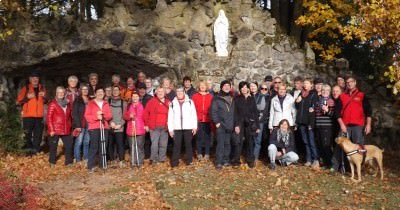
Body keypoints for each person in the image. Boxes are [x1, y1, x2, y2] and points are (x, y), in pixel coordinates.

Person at [17, 71, 47, 154]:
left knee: (38, 134)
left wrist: (44, 97)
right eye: (33, 78)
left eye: (36, 78)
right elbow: (19, 101)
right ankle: (28, 150)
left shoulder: (42, 88)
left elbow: (46, 101)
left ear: (39, 79)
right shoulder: (25, 88)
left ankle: (35, 150)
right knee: (27, 134)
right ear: (30, 79)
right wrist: (27, 97)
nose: (35, 79)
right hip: (28, 116)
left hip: (39, 116)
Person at [337, 76, 372, 145]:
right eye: (347, 82)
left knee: (358, 148)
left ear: (355, 82)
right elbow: (337, 112)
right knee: (341, 147)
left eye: (351, 82)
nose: (349, 84)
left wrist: (368, 125)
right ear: (346, 84)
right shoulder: (342, 96)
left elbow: (368, 111)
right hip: (345, 126)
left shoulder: (361, 95)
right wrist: (341, 125)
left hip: (358, 126)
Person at [84, 87, 113, 173]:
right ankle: (91, 166)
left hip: (104, 127)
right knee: (94, 146)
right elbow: (87, 116)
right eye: (98, 92)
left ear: (104, 94)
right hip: (94, 127)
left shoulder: (106, 103)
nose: (100, 93)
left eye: (102, 92)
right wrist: (96, 117)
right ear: (95, 93)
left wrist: (103, 116)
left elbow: (109, 115)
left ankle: (102, 164)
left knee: (103, 146)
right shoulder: (91, 103)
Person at [232, 81, 260, 168]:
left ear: (248, 88)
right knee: (238, 142)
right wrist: (236, 125)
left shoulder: (251, 99)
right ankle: (236, 160)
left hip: (250, 123)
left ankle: (250, 160)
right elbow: (234, 113)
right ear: (240, 89)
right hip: (240, 123)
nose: (244, 89)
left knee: (250, 142)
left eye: (245, 87)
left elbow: (255, 113)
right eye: (242, 87)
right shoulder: (236, 99)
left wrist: (257, 126)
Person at [168, 87, 198, 167]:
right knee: (176, 145)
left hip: (188, 127)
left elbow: (194, 115)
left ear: (184, 92)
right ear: (176, 93)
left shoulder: (190, 102)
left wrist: (194, 127)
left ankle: (189, 161)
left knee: (188, 145)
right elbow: (170, 117)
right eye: (178, 91)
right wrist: (170, 129)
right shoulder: (173, 103)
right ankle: (174, 163)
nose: (179, 93)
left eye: (181, 91)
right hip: (177, 128)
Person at [211, 80, 235, 170]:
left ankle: (226, 160)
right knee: (220, 144)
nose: (227, 87)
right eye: (225, 85)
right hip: (221, 125)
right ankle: (219, 162)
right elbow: (213, 111)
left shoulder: (232, 98)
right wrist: (217, 122)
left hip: (230, 124)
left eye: (228, 85)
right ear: (221, 87)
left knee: (227, 144)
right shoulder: (217, 98)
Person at [46, 86, 73, 167]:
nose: (61, 94)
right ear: (56, 93)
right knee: (53, 147)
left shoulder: (67, 103)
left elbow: (69, 117)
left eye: (62, 92)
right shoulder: (53, 104)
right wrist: (51, 129)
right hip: (55, 129)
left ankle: (68, 162)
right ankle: (52, 162)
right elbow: (49, 117)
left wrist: (70, 126)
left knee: (69, 145)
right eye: (59, 92)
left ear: (64, 93)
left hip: (65, 128)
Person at [143, 87, 171, 164]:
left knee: (163, 144)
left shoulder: (168, 102)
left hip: (165, 127)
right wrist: (146, 124)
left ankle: (161, 158)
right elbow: (145, 113)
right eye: (159, 91)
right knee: (154, 144)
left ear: (165, 93)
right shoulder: (151, 101)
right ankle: (154, 159)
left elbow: (172, 114)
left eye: (162, 91)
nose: (160, 93)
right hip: (154, 127)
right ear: (156, 93)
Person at [295, 78, 319, 168]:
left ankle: (315, 159)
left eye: (307, 83)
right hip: (301, 122)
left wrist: (311, 123)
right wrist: (297, 101)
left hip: (309, 123)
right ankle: (309, 159)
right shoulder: (301, 93)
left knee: (312, 141)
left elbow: (312, 110)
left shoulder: (313, 95)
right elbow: (298, 107)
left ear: (311, 85)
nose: (305, 85)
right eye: (304, 83)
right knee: (306, 142)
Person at [314, 84, 335, 169]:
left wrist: (328, 110)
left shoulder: (331, 101)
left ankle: (331, 164)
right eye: (323, 90)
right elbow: (316, 113)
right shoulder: (318, 101)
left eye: (327, 90)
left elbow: (333, 114)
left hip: (327, 126)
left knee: (326, 145)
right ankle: (326, 163)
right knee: (321, 145)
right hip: (319, 126)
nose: (324, 92)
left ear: (329, 92)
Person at [192, 80, 213, 161]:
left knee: (207, 137)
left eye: (204, 85)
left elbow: (212, 108)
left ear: (206, 87)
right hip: (198, 120)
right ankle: (199, 153)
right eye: (201, 85)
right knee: (199, 137)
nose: (202, 87)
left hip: (208, 120)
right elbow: (192, 109)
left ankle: (207, 154)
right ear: (198, 87)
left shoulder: (210, 96)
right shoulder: (195, 96)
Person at [123, 91, 146, 168]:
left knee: (140, 146)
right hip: (131, 129)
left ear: (139, 97)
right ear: (131, 98)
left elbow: (146, 116)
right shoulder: (129, 106)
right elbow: (124, 116)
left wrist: (146, 125)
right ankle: (133, 162)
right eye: (133, 96)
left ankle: (140, 162)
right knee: (132, 146)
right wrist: (129, 116)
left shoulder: (142, 105)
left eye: (136, 96)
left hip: (140, 129)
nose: (135, 98)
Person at [108, 86, 126, 167]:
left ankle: (121, 160)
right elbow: (106, 113)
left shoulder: (124, 102)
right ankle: (112, 160)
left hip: (119, 127)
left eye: (117, 90)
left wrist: (120, 124)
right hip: (110, 126)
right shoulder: (108, 101)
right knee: (110, 144)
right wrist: (110, 122)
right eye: (114, 90)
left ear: (119, 92)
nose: (115, 91)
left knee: (120, 144)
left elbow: (125, 116)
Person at [72, 84, 90, 164]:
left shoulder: (90, 99)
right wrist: (78, 125)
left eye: (86, 89)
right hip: (81, 124)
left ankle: (86, 158)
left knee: (87, 142)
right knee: (79, 142)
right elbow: (74, 113)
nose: (85, 91)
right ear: (80, 90)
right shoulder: (77, 100)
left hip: (89, 124)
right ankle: (78, 159)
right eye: (83, 89)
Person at [254, 83, 271, 161]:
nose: (263, 90)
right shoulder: (256, 97)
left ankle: (265, 156)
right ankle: (255, 157)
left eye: (265, 89)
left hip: (266, 121)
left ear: (268, 90)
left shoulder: (270, 98)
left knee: (265, 139)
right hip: (258, 120)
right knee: (257, 139)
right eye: (262, 88)